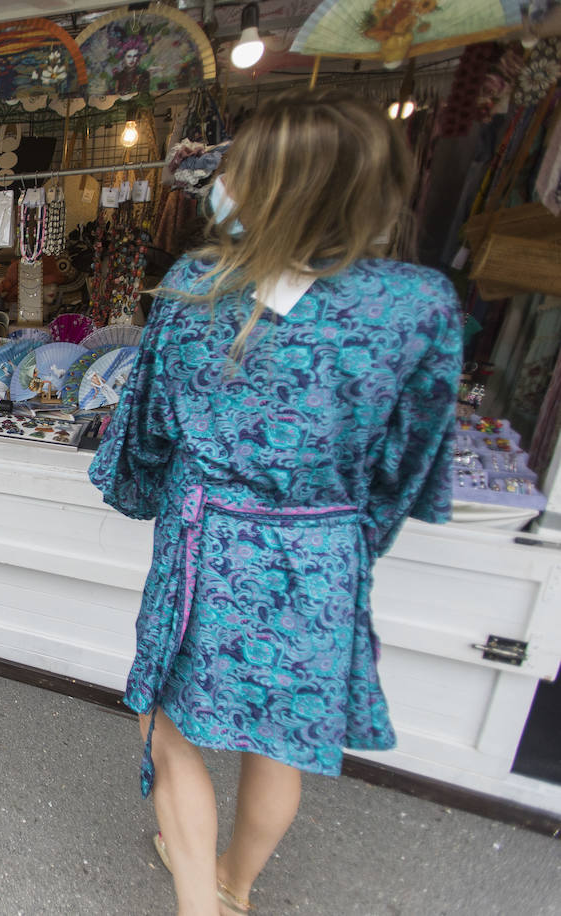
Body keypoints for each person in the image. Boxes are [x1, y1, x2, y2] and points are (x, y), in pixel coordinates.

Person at [88, 90, 461, 916]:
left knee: (172, 727)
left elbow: (146, 428)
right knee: (278, 736)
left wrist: (138, 490)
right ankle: (235, 885)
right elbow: (409, 458)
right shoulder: (418, 305)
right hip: (322, 546)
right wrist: (354, 534)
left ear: (254, 181)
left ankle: (198, 904)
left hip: (207, 540)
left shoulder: (197, 286)